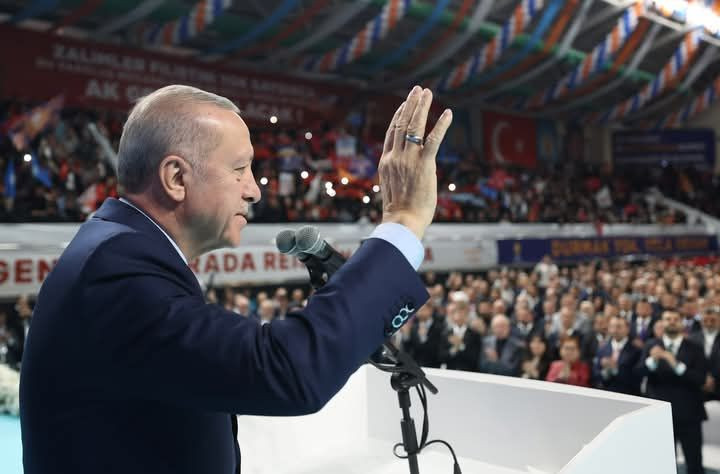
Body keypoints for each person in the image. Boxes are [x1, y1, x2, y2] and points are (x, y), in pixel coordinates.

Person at [20, 84, 452, 474]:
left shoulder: (119, 252)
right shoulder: (115, 271)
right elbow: (289, 370)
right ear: (176, 178)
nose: (255, 190)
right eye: (240, 169)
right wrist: (403, 221)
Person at [637, 310, 707, 474]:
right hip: (660, 414)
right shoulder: (651, 345)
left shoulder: (695, 347)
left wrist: (676, 365)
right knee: (662, 465)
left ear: (681, 323)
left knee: (694, 464)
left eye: (676, 319)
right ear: (662, 323)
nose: (672, 321)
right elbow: (638, 373)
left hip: (689, 414)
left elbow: (701, 379)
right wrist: (652, 361)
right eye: (668, 319)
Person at [593, 316, 641, 395]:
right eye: (612, 327)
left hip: (627, 394)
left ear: (627, 329)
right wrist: (605, 372)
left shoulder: (636, 351)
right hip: (605, 393)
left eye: (619, 327)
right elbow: (595, 373)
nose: (615, 330)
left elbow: (637, 377)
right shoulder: (602, 349)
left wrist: (615, 369)